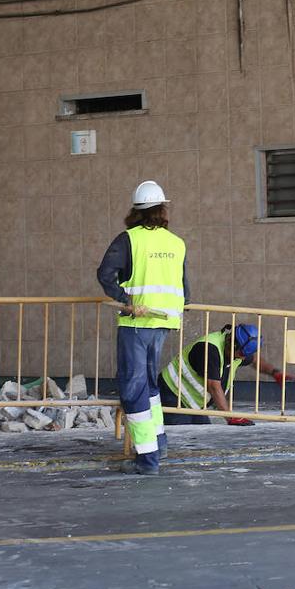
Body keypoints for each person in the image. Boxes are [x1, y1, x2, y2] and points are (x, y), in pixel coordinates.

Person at [97, 180, 187, 475]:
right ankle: (158, 442)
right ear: (163, 210)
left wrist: (125, 300)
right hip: (164, 323)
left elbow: (105, 274)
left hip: (136, 322)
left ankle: (147, 458)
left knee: (133, 388)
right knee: (148, 385)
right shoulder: (176, 243)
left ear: (135, 211)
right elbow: (186, 288)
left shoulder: (129, 240)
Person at [159, 323, 295, 425]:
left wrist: (275, 373)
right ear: (231, 342)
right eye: (241, 354)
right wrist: (231, 417)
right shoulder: (209, 349)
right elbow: (213, 386)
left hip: (193, 404)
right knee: (184, 439)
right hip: (172, 396)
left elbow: (254, 360)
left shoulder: (236, 351)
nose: (242, 358)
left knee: (202, 438)